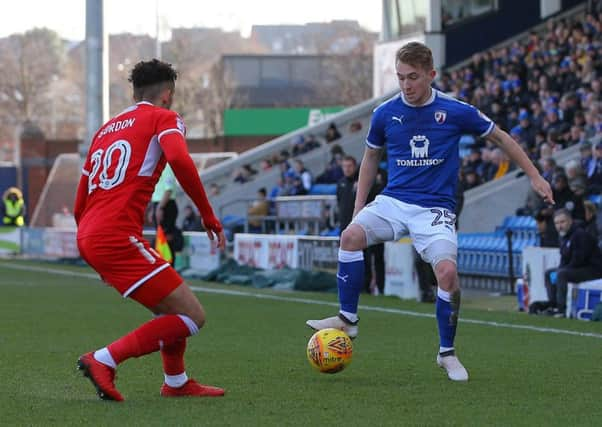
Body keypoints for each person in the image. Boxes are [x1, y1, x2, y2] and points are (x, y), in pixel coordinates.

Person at [306, 42, 553, 382]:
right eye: (400, 77)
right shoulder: (385, 113)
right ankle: (347, 320)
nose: (406, 85)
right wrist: (359, 207)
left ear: (431, 75)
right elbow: (371, 158)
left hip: (434, 208)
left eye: (413, 77)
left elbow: (501, 138)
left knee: (448, 274)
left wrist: (536, 176)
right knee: (349, 236)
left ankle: (446, 353)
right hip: (394, 201)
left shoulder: (455, 111)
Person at [73, 59, 226, 401]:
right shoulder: (163, 118)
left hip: (92, 233)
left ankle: (176, 382)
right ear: (167, 95)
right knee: (191, 316)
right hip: (115, 234)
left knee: (170, 307)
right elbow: (180, 159)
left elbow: (79, 200)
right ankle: (103, 359)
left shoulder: (105, 130)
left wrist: (94, 251)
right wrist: (207, 214)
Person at [544, 209, 602, 317]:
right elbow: (564, 259)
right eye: (557, 223)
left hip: (593, 270)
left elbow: (579, 260)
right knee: (549, 273)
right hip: (578, 268)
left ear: (570, 221)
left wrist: (561, 270)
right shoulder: (564, 237)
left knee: (562, 274)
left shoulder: (580, 234)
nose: (559, 226)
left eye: (562, 222)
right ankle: (553, 304)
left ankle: (561, 310)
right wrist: (559, 269)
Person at [148, 164, 180, 263]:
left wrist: (160, 207)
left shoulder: (167, 166)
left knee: (167, 239)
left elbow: (168, 189)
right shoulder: (158, 166)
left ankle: (169, 266)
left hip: (166, 205)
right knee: (160, 239)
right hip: (159, 204)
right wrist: (153, 209)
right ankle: (163, 265)